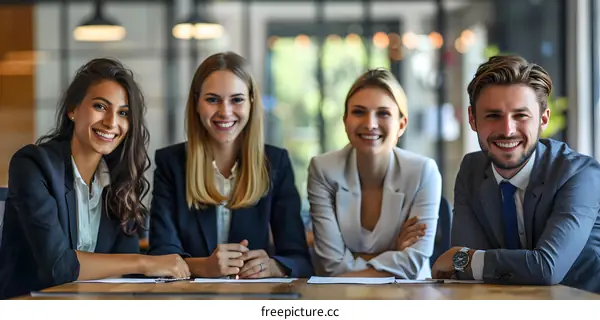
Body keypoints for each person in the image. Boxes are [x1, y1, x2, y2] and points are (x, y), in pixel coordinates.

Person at [0, 58, 190, 299]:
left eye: (123, 113)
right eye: (100, 106)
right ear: (73, 109)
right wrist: (144, 263)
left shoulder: (117, 180)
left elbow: (125, 267)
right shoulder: (33, 165)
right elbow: (58, 266)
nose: (111, 122)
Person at [432, 55, 600, 293]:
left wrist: (467, 259)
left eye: (520, 115)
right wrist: (467, 261)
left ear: (543, 119)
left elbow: (546, 268)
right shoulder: (472, 169)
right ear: (472, 119)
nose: (507, 130)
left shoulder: (580, 174)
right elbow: (467, 275)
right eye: (493, 116)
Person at [148, 52, 313, 279]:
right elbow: (160, 255)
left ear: (251, 102)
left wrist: (272, 266)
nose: (225, 112)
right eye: (213, 99)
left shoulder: (276, 163)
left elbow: (299, 260)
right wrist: (203, 267)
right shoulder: (171, 164)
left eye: (236, 100)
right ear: (197, 103)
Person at [307, 68, 442, 278]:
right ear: (345, 121)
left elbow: (412, 263)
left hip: (410, 296)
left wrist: (354, 258)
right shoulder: (323, 169)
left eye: (383, 113)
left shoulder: (423, 171)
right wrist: (393, 254)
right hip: (342, 299)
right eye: (359, 112)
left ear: (401, 125)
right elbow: (330, 267)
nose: (370, 124)